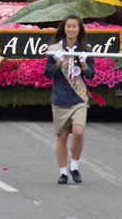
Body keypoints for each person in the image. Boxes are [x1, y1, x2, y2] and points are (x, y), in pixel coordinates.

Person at [44, 15, 94, 185]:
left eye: (74, 27)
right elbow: (47, 73)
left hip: (78, 97)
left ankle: (74, 166)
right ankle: (63, 172)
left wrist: (84, 64)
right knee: (62, 137)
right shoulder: (54, 49)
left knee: (79, 133)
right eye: (68, 27)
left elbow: (91, 75)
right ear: (63, 29)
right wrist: (58, 63)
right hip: (60, 98)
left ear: (79, 29)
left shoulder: (85, 49)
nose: (71, 30)